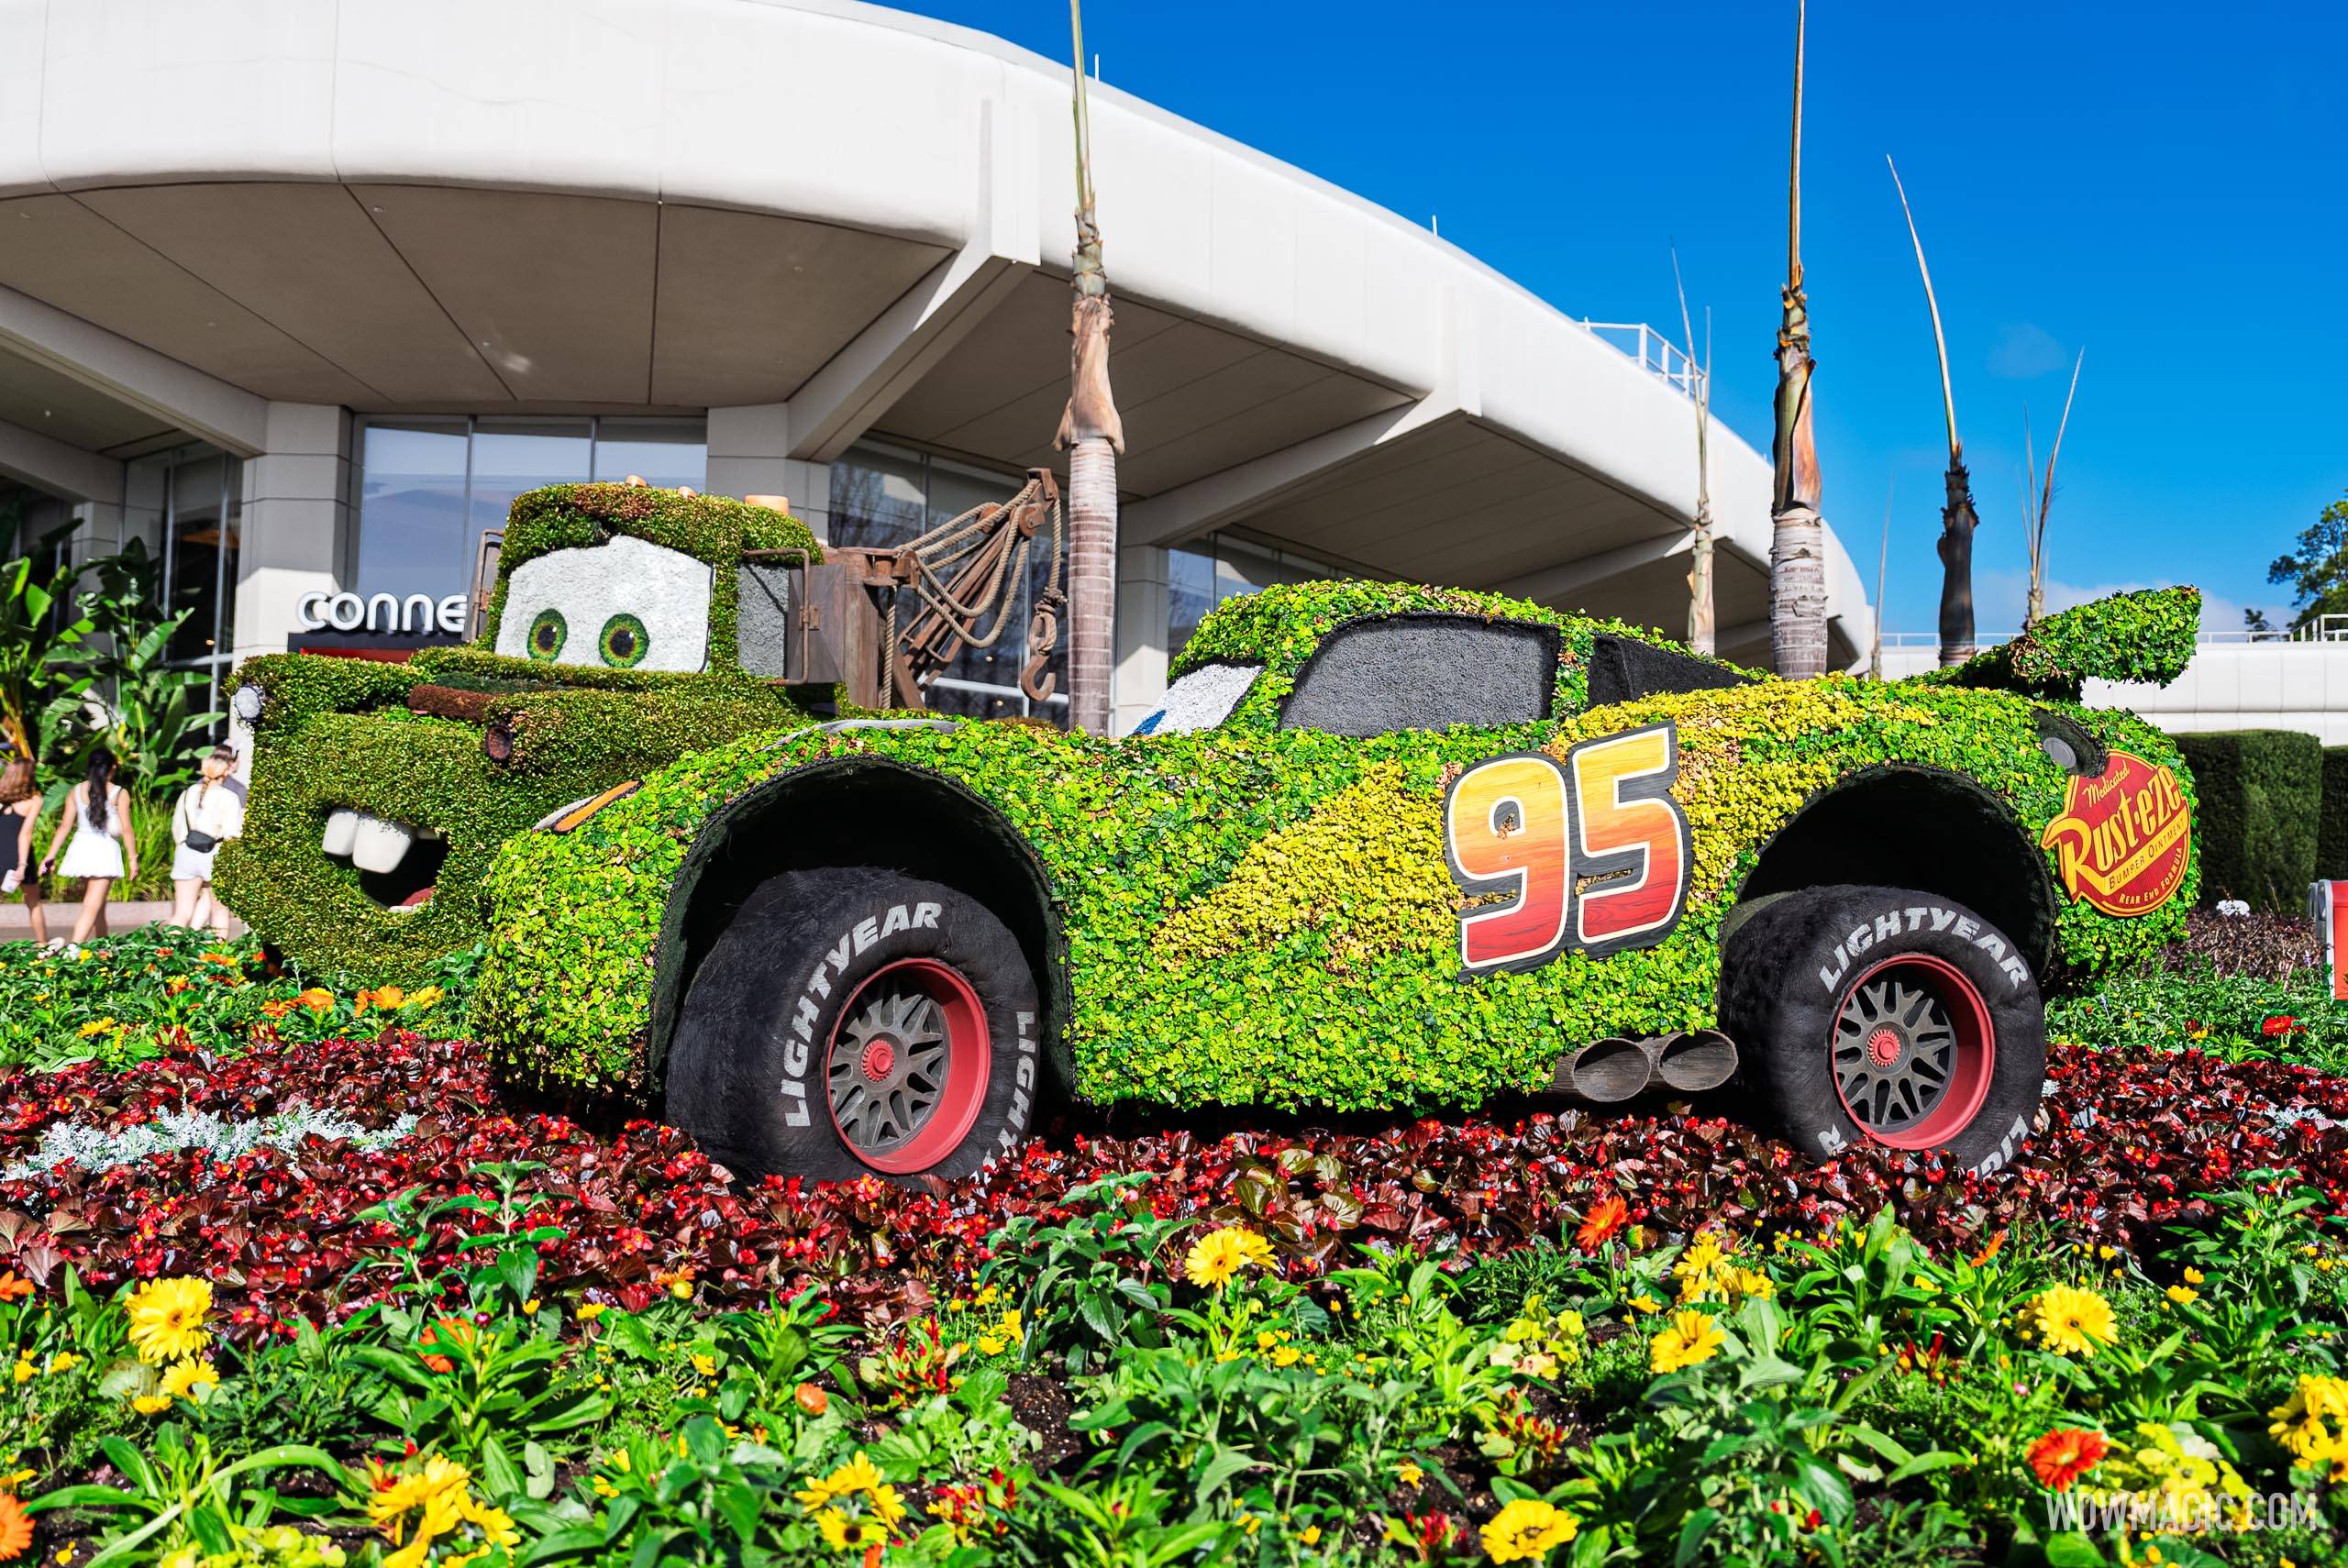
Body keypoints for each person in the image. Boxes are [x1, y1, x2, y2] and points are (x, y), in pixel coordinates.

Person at [40, 747, 136, 948]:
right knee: (92, 905)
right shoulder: (119, 793)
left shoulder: (76, 791)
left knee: (97, 906)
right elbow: (126, 829)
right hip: (104, 850)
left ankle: (104, 948)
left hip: (81, 847)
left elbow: (65, 825)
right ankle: (74, 949)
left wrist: (50, 856)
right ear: (113, 767)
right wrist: (133, 859)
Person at [172, 746, 244, 935]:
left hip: (186, 852)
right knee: (219, 913)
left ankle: (166, 954)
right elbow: (232, 834)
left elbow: (177, 827)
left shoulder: (188, 793)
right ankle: (217, 958)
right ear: (226, 771)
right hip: (214, 854)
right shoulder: (230, 797)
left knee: (181, 914)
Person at [0, 757, 46, 946]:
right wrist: (22, 865)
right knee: (33, 901)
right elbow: (25, 834)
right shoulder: (34, 800)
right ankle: (42, 943)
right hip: (19, 854)